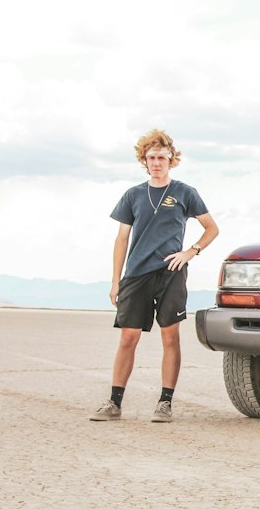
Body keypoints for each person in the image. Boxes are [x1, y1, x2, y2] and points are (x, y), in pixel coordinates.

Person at [90, 129, 219, 423]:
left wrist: (191, 251)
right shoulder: (133, 195)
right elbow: (121, 239)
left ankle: (165, 403)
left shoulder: (186, 193)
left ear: (171, 160)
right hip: (137, 274)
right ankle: (114, 402)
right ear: (144, 161)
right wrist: (115, 281)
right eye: (151, 158)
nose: (157, 162)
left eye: (162, 157)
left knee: (170, 337)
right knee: (128, 338)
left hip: (171, 273)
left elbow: (212, 228)